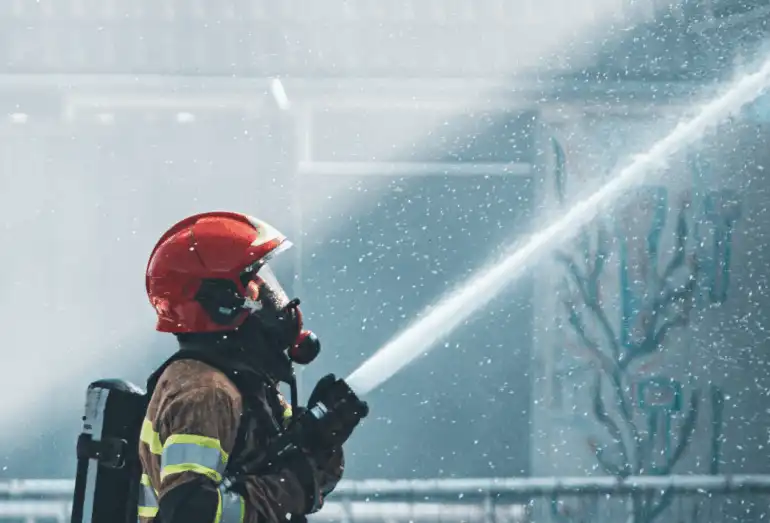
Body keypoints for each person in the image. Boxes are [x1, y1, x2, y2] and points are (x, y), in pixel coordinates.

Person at [139, 211, 367, 523]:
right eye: (254, 291)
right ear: (221, 304)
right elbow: (190, 513)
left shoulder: (244, 386)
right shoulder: (205, 392)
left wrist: (320, 440)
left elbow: (312, 484)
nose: (276, 305)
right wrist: (292, 485)